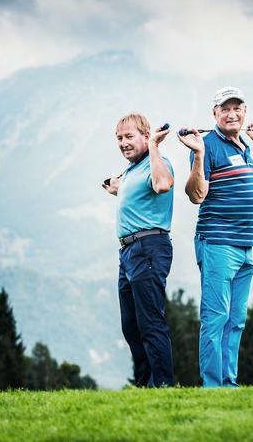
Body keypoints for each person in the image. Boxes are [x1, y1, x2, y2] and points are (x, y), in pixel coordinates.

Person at [177, 86, 253, 387]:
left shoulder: (244, 145)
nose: (232, 114)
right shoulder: (207, 144)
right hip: (217, 242)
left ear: (245, 112)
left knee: (236, 320)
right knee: (216, 317)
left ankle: (229, 382)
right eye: (225, 109)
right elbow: (196, 195)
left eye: (237, 108)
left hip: (245, 245)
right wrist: (199, 154)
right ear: (214, 114)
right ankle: (213, 386)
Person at [103, 113, 175, 387]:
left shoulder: (157, 162)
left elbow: (162, 184)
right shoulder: (132, 170)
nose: (123, 143)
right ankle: (145, 386)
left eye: (129, 136)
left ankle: (163, 386)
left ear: (146, 136)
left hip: (148, 247)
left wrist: (156, 147)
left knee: (150, 321)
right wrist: (117, 190)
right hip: (128, 252)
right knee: (131, 326)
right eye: (119, 138)